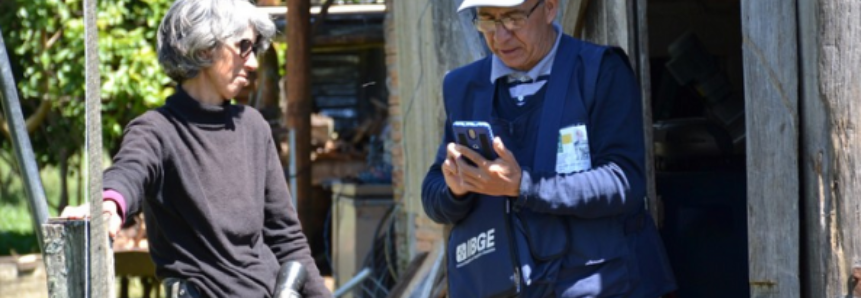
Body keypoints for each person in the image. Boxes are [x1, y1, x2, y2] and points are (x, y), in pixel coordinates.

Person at [60, 0, 330, 297]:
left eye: (253, 50)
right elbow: (129, 171)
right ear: (204, 48)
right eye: (243, 47)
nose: (252, 63)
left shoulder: (254, 127)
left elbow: (287, 239)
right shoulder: (157, 130)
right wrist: (109, 204)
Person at [421, 0, 677, 297]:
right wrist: (456, 188)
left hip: (600, 283)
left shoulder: (597, 71)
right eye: (488, 20)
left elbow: (624, 182)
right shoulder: (464, 86)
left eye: (513, 18)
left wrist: (523, 186)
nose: (500, 36)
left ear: (550, 8)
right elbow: (432, 193)